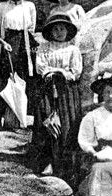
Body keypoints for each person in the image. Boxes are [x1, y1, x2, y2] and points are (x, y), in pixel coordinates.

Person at [0, 0, 38, 133]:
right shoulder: (2, 7)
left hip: (25, 45)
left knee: (25, 79)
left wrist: (30, 46)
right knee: (4, 80)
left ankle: (22, 119)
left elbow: (31, 28)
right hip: (8, 44)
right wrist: (4, 43)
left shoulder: (29, 6)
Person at [34, 13, 83, 178]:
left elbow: (75, 72)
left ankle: (65, 165)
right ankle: (48, 162)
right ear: (50, 31)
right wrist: (53, 72)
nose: (59, 32)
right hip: (47, 89)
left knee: (66, 124)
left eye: (62, 28)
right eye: (55, 29)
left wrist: (59, 72)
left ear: (68, 31)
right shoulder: (43, 48)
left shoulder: (73, 50)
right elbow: (41, 67)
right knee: (47, 122)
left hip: (66, 92)